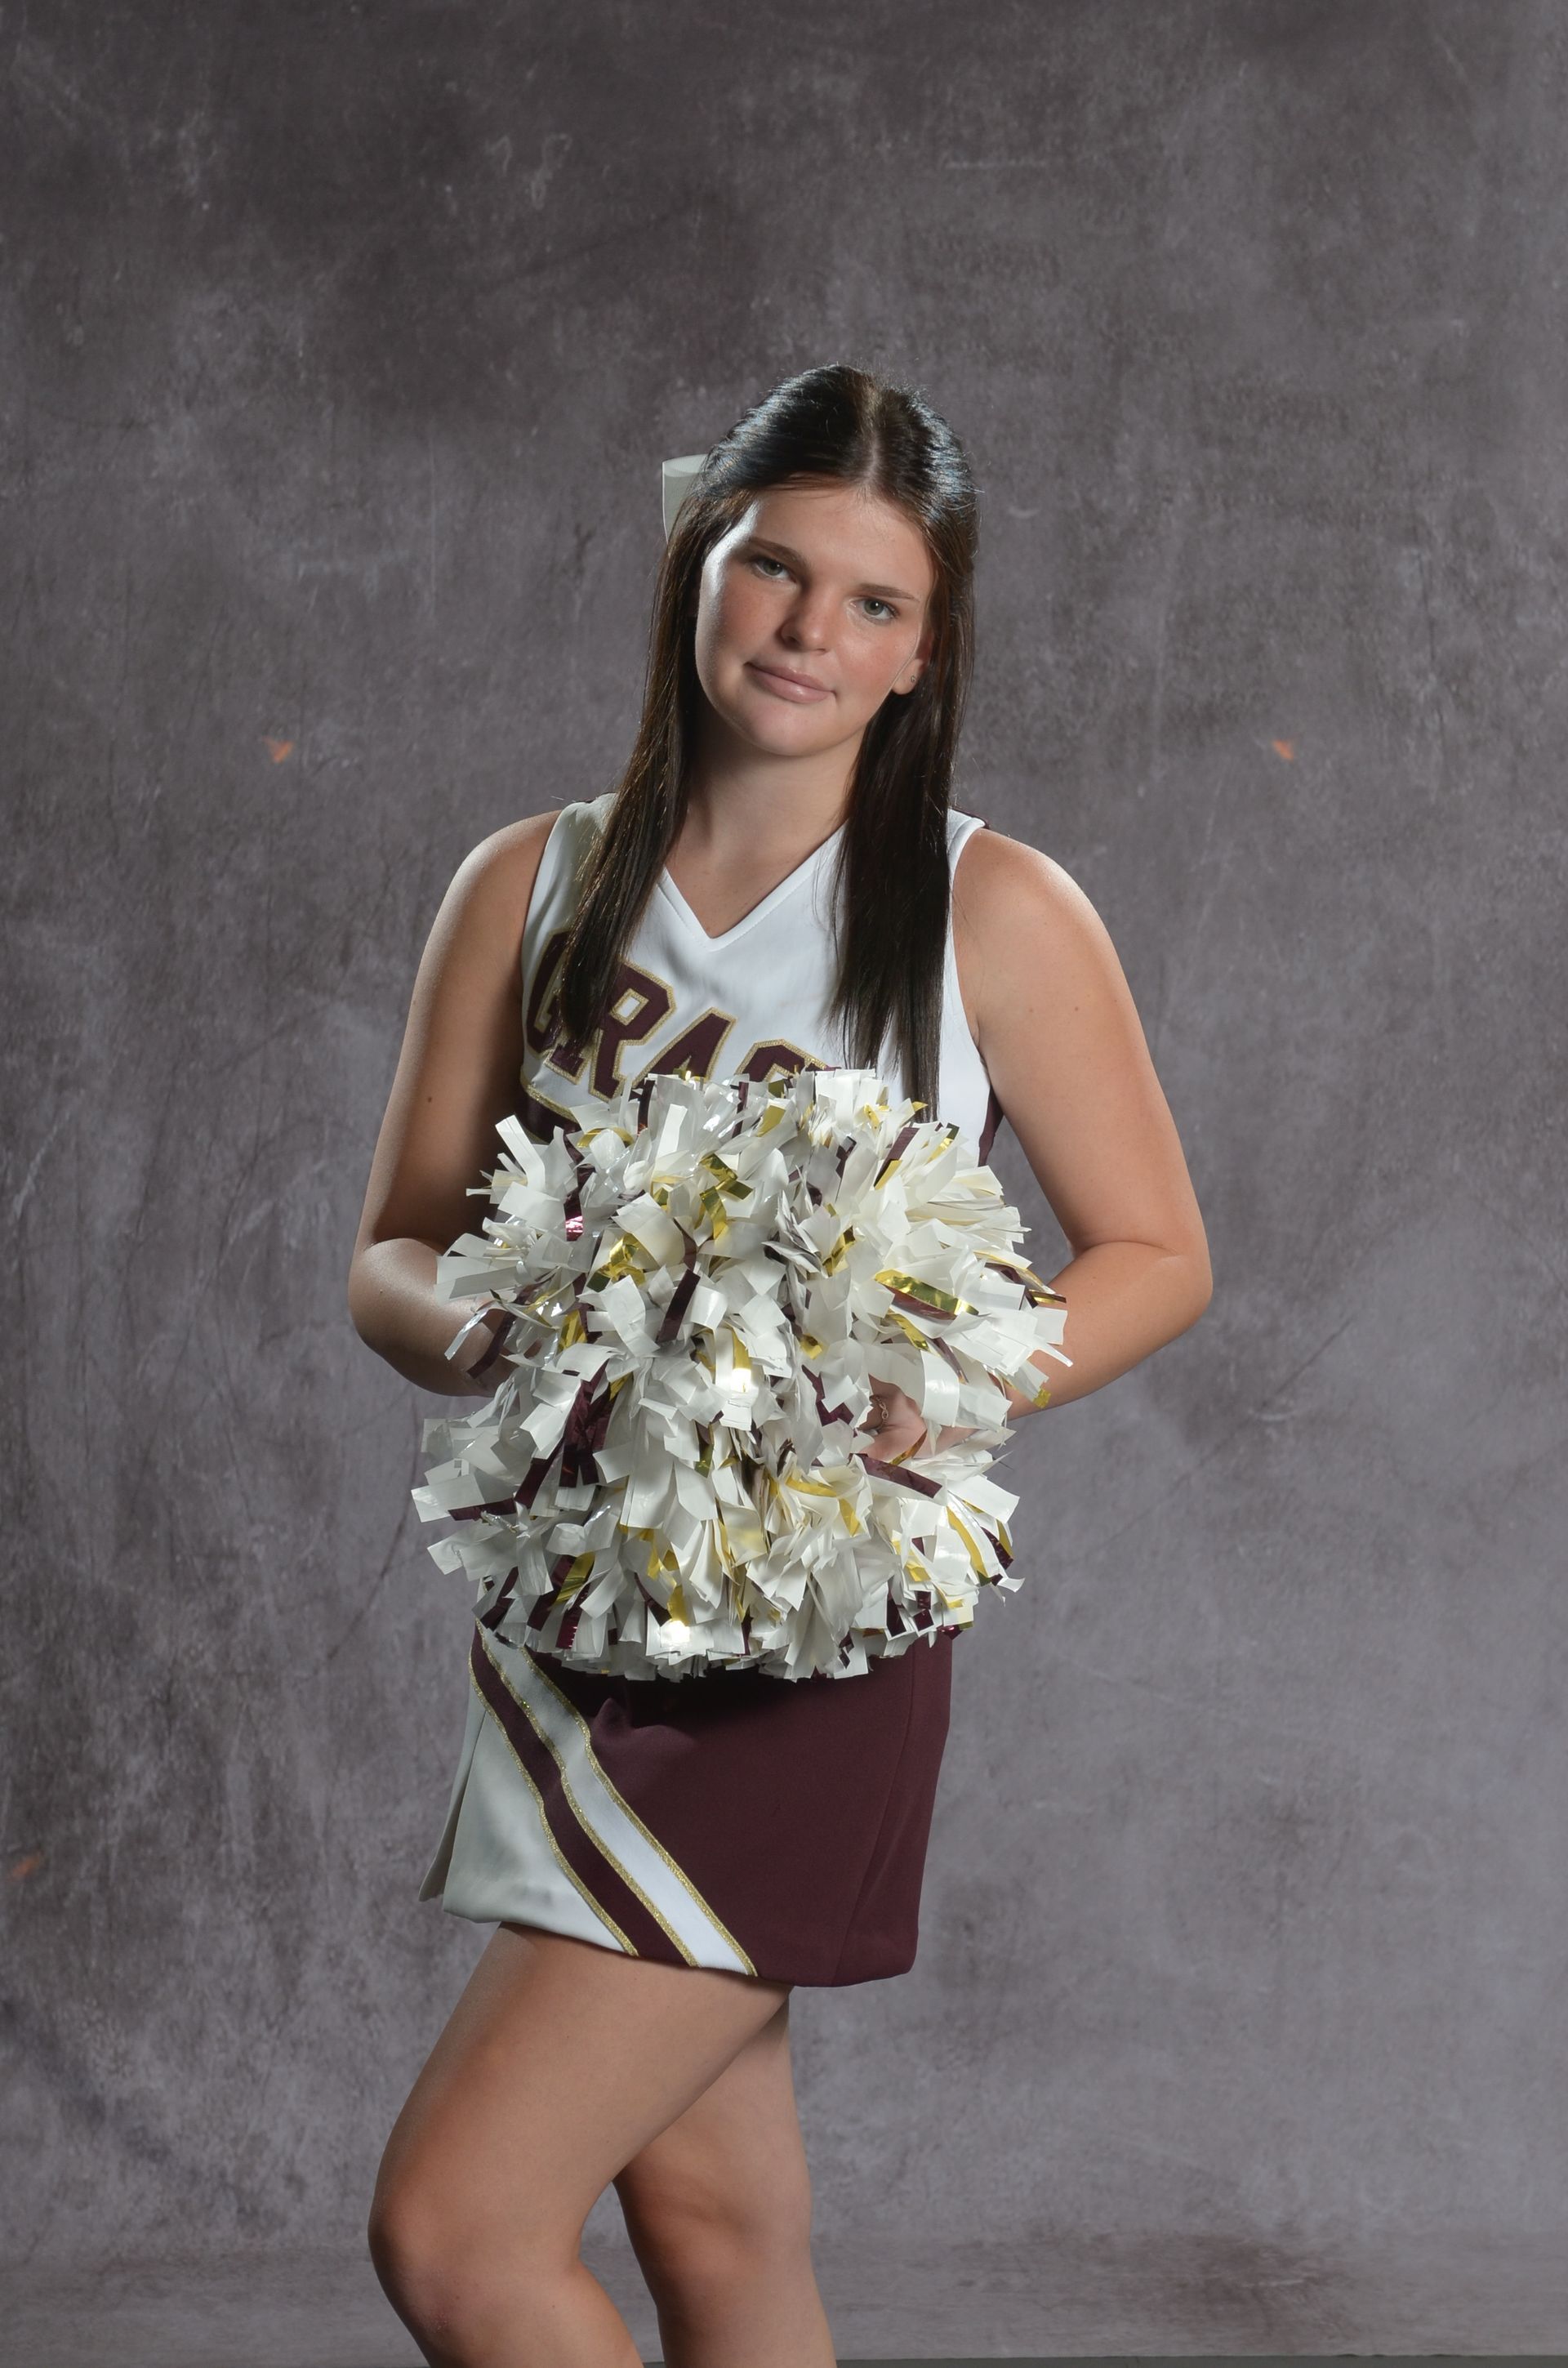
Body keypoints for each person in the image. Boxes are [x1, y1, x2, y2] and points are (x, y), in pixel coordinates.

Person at [346, 362, 1212, 2368]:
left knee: (463, 2234)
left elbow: (1159, 1252)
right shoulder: (528, 881)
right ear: (694, 567)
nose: (814, 632)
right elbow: (391, 1250)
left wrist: (956, 1389)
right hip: (570, 1616)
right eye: (774, 570)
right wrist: (519, 1324)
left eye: (877, 603)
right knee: (719, 2219)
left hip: (806, 1647)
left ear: (927, 651)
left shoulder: (987, 906)